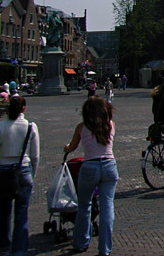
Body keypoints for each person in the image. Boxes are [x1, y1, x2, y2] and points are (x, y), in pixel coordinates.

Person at [64, 96, 118, 256]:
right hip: (109, 165)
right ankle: (105, 249)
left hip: (89, 166)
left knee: (84, 205)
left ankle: (81, 241)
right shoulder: (110, 125)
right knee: (107, 206)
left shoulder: (81, 127)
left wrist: (66, 148)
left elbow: (72, 147)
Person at [0, 95, 39, 256]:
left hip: (3, 169)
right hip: (23, 169)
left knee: (4, 212)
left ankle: (3, 247)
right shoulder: (31, 126)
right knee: (21, 213)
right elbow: (35, 156)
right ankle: (19, 251)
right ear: (24, 108)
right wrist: (33, 174)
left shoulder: (0, 126)